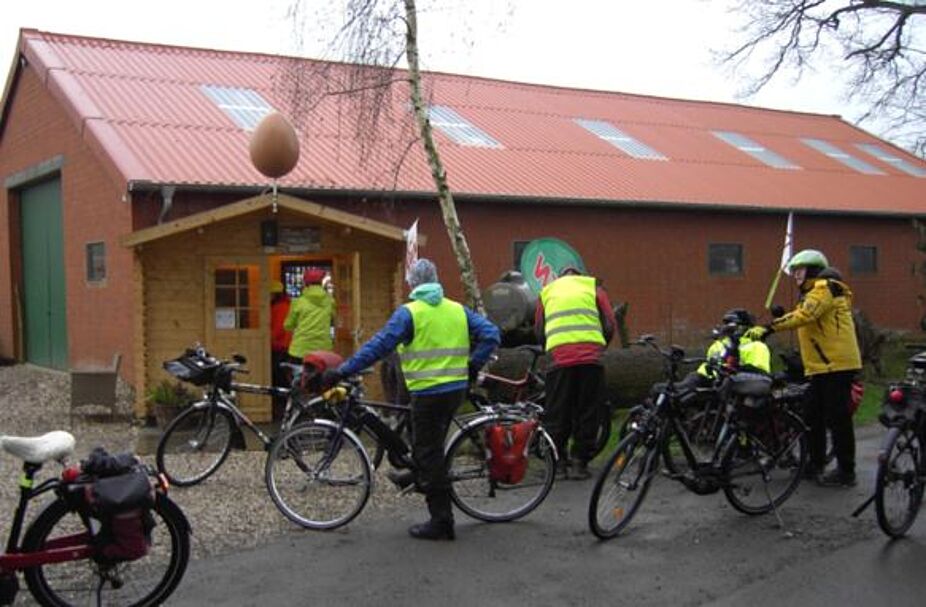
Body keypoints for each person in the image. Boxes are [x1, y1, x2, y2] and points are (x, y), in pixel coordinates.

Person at [322, 259, 500, 540]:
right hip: (455, 390)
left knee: (430, 452)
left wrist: (342, 370)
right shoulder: (457, 309)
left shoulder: (409, 313)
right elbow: (491, 334)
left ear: (412, 284)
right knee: (422, 440)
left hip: (428, 392)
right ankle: (419, 474)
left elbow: (378, 346)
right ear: (436, 279)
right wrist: (473, 365)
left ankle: (442, 522)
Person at [746, 249, 862, 487]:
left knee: (837, 417)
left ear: (813, 270)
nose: (796, 277)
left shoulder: (825, 288)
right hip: (819, 366)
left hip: (837, 365)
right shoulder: (813, 292)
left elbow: (805, 316)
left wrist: (768, 328)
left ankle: (846, 471)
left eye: (799, 271)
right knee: (811, 416)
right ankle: (815, 463)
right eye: (794, 273)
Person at [534, 267, 616, 480]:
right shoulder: (593, 287)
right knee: (588, 411)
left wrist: (549, 350)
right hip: (591, 359)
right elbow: (609, 323)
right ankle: (580, 463)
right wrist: (599, 348)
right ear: (579, 275)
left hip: (559, 358)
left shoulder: (547, 291)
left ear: (560, 278)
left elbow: (539, 328)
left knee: (557, 411)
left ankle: (558, 464)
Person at [284, 267, 335, 361]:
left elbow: (288, 325)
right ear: (321, 282)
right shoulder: (330, 301)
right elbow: (333, 317)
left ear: (305, 283)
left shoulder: (298, 302)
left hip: (300, 350)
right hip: (323, 349)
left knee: (299, 374)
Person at [270, 280, 292, 420]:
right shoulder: (288, 305)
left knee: (278, 377)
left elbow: (278, 329)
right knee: (283, 376)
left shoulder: (279, 307)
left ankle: (281, 407)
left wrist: (267, 339)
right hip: (287, 345)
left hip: (279, 346)